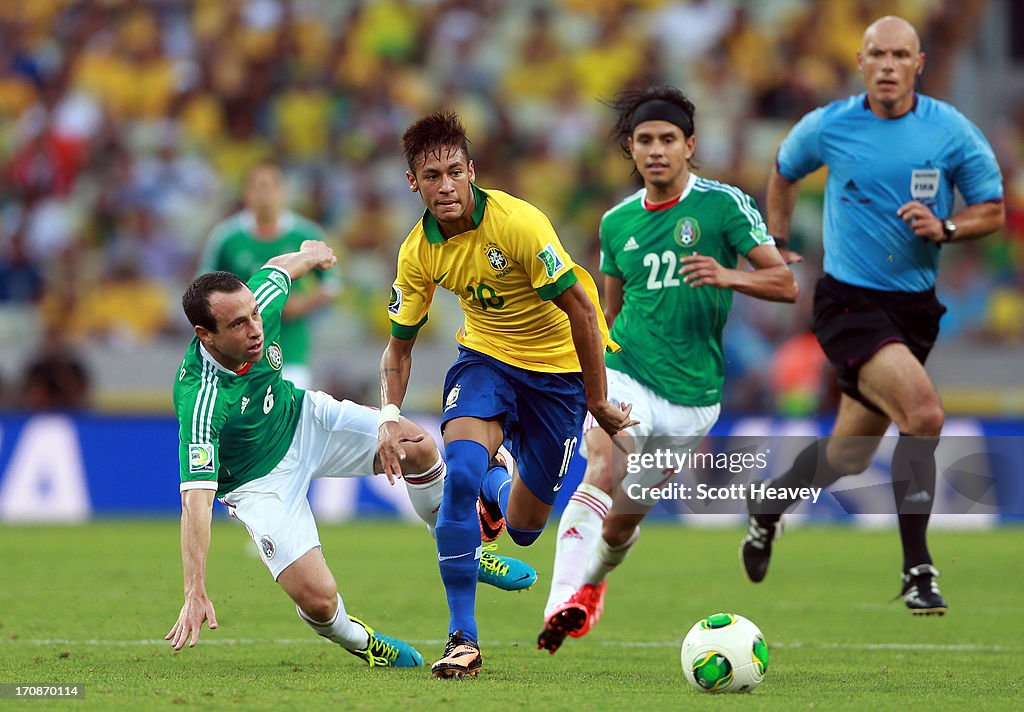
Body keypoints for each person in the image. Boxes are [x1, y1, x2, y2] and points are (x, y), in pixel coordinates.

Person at [739, 16, 1004, 615]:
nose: (887, 64)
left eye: (899, 55)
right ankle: (918, 568)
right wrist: (775, 241)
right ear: (860, 62)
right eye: (877, 54)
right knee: (925, 413)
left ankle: (768, 507)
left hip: (914, 307)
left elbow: (992, 208)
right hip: (848, 301)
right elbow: (782, 168)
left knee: (849, 454)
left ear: (920, 64)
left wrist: (947, 227)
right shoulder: (831, 126)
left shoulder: (950, 131)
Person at [166, 240, 533, 667]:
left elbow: (280, 267)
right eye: (237, 325)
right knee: (319, 600)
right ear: (204, 335)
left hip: (304, 419)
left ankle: (460, 547)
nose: (255, 328)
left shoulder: (259, 302)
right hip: (257, 484)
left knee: (416, 445)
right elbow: (196, 501)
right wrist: (194, 590)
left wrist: (313, 254)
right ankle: (362, 642)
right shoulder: (200, 399)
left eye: (254, 313)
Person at [538, 86, 798, 654]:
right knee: (603, 467)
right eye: (645, 140)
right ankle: (560, 601)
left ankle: (593, 584)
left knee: (622, 522)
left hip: (693, 397)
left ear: (689, 146)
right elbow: (609, 312)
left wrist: (730, 276)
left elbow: (785, 283)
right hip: (627, 369)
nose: (656, 150)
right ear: (631, 149)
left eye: (668, 140)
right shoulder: (616, 223)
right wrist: (588, 379)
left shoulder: (723, 207)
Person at [378, 111, 635, 678]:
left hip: (559, 377)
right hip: (486, 362)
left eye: (452, 172)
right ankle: (462, 638)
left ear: (471, 171)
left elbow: (583, 311)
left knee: (523, 528)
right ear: (412, 183)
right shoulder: (418, 252)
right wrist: (389, 416)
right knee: (460, 474)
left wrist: (596, 400)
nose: (444, 186)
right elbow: (398, 348)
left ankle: (501, 481)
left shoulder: (519, 224)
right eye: (430, 176)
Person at [197, 162, 339, 389]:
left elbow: (331, 285)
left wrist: (301, 305)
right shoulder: (227, 237)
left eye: (270, 186)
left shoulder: (304, 233)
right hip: (237, 352)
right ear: (246, 193)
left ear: (282, 192)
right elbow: (203, 289)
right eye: (257, 187)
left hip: (289, 347)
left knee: (288, 415)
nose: (264, 194)